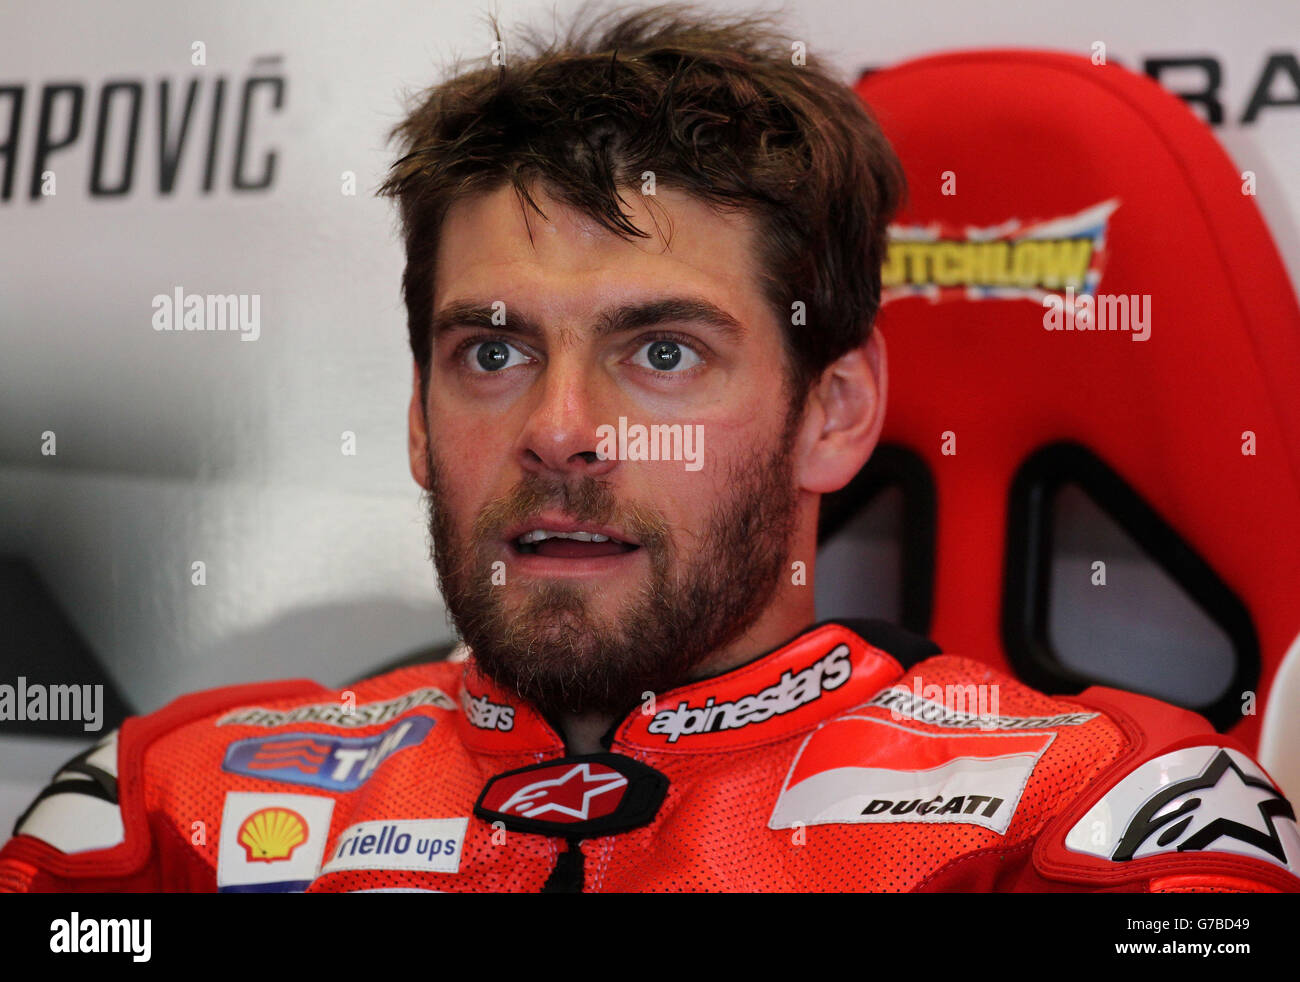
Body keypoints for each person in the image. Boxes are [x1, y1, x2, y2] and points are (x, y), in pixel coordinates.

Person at [3, 4, 1297, 893]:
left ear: (833, 412)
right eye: (493, 353)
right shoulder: (163, 812)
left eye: (663, 352)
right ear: (415, 414)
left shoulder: (1104, 814)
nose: (561, 429)